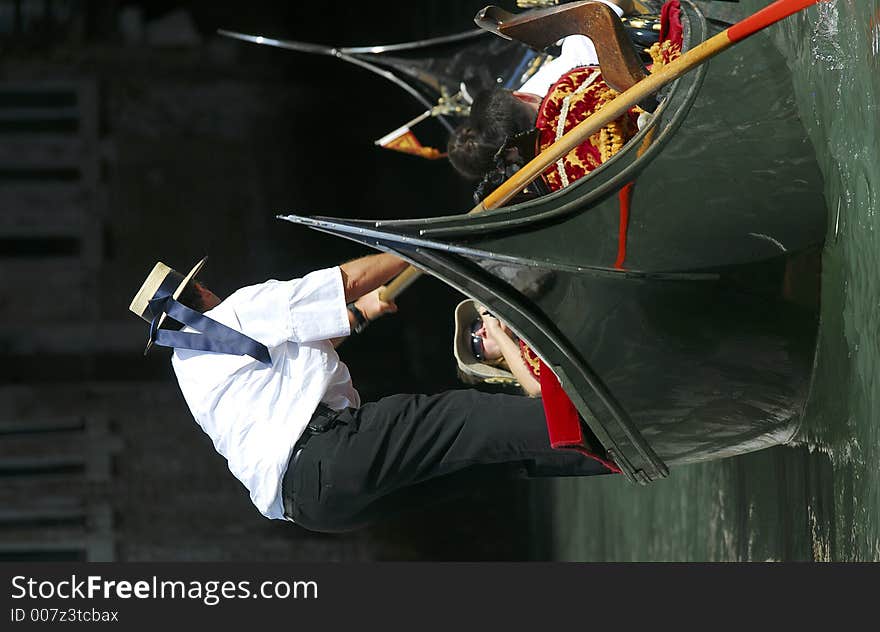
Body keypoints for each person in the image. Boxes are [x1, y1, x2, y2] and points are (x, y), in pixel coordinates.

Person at [128, 253, 612, 533]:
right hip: (332, 453)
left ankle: (610, 452)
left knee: (490, 460)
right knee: (469, 421)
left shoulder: (190, 369)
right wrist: (419, 249)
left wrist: (359, 315)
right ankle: (613, 425)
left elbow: (288, 358)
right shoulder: (233, 312)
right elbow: (347, 281)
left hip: (313, 507)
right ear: (200, 295)